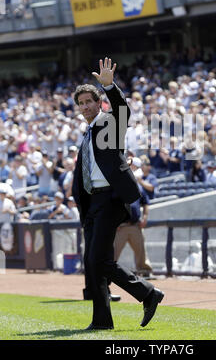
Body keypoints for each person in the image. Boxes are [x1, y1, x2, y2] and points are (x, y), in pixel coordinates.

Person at [72, 57, 164, 331]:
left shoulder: (109, 124)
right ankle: (102, 320)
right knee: (93, 262)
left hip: (111, 198)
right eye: (81, 103)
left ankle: (148, 293)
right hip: (92, 202)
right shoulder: (88, 132)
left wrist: (110, 87)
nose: (85, 106)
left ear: (99, 103)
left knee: (99, 260)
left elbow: (123, 111)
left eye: (90, 101)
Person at [114, 159, 153, 278]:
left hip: (135, 225)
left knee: (141, 251)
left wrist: (145, 217)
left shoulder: (139, 188)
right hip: (121, 227)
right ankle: (107, 272)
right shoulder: (119, 187)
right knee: (112, 254)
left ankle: (145, 271)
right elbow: (113, 206)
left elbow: (146, 203)